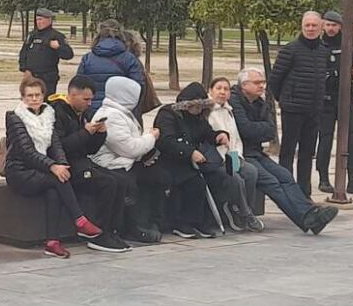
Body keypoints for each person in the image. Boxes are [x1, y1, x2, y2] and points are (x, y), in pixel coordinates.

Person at [229, 68, 339, 234]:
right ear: (244, 85)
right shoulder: (235, 101)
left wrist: (258, 129)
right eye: (257, 83)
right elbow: (244, 129)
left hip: (257, 151)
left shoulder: (260, 102)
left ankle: (309, 214)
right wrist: (259, 129)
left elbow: (270, 131)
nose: (262, 86)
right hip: (241, 153)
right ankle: (307, 217)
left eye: (263, 82)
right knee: (271, 181)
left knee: (285, 176)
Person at [4, 76, 103, 259]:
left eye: (37, 95)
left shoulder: (49, 115)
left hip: (40, 170)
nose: (34, 99)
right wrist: (52, 166)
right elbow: (27, 151)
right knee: (56, 179)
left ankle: (52, 242)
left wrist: (62, 164)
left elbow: (56, 145)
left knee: (56, 188)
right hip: (19, 171)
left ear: (43, 96)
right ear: (22, 98)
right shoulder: (15, 118)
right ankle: (80, 220)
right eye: (29, 96)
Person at [49, 75, 131, 252]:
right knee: (107, 183)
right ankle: (98, 234)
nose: (89, 103)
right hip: (67, 166)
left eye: (91, 99)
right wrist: (85, 133)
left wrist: (100, 134)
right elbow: (60, 147)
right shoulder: (57, 113)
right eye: (86, 99)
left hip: (84, 162)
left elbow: (90, 149)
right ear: (72, 95)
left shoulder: (85, 114)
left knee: (120, 179)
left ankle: (112, 230)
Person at [154, 82, 237, 239]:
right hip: (169, 159)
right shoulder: (168, 114)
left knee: (218, 177)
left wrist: (218, 136)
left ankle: (204, 219)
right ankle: (182, 222)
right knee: (193, 181)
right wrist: (190, 152)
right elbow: (167, 140)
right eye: (195, 107)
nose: (198, 111)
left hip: (191, 160)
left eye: (201, 107)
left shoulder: (197, 117)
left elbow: (206, 133)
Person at [90, 76, 165, 244]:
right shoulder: (112, 116)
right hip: (112, 163)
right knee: (130, 183)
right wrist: (151, 137)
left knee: (160, 176)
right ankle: (131, 228)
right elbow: (130, 148)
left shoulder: (121, 113)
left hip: (125, 160)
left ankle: (154, 222)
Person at [268, 11, 328, 196]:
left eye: (314, 26)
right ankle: (286, 190)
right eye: (307, 25)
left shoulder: (323, 50)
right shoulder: (290, 49)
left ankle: (304, 191)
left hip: (314, 110)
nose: (310, 29)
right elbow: (275, 80)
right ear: (302, 26)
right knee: (288, 150)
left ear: (321, 27)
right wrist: (285, 99)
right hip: (292, 109)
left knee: (307, 152)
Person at [315, 11, 353, 194]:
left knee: (352, 137)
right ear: (323, 26)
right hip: (325, 100)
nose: (331, 29)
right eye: (328, 25)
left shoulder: (347, 44)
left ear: (340, 26)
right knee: (325, 138)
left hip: (346, 99)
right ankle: (323, 179)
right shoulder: (318, 44)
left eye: (335, 25)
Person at [207, 77, 265, 232]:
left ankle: (246, 209)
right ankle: (243, 213)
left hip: (232, 155)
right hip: (217, 159)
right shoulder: (207, 112)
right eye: (218, 88)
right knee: (236, 178)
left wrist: (237, 156)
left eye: (226, 89)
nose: (222, 92)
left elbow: (236, 138)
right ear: (210, 91)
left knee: (251, 172)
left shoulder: (229, 111)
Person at [77, 19, 145, 112]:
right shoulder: (129, 59)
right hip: (121, 110)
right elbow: (138, 87)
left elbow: (79, 84)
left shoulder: (87, 58)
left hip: (92, 109)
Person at [18, 8, 74, 96]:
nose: (38, 22)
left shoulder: (56, 36)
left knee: (46, 105)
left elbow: (69, 54)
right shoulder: (32, 35)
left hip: (48, 79)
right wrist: (24, 69)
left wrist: (58, 47)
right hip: (32, 77)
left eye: (41, 20)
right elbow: (23, 53)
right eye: (37, 20)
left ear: (49, 20)